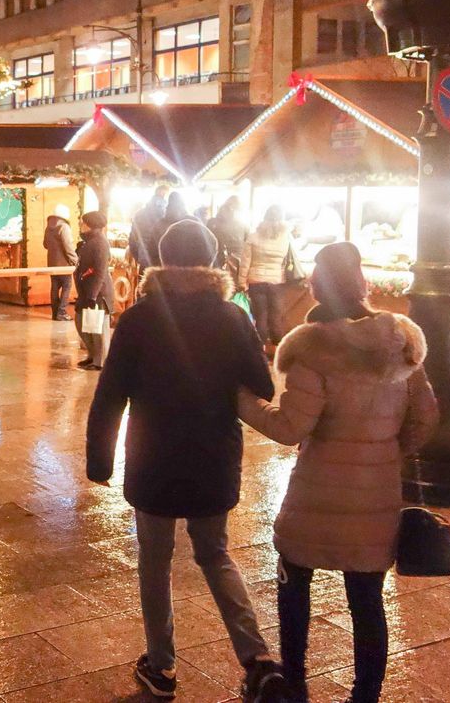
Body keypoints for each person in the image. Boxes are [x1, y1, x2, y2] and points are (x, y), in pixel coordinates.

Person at [87, 219, 286, 703]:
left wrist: (100, 461)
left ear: (161, 259)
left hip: (153, 458)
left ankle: (162, 667)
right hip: (212, 456)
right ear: (214, 261)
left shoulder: (139, 318)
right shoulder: (232, 317)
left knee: (154, 562)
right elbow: (262, 384)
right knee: (215, 553)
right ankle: (257, 659)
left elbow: (109, 394)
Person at [236, 242, 439, 703]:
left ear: (313, 285)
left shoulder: (314, 349)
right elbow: (426, 417)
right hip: (376, 494)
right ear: (363, 281)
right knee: (367, 601)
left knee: (294, 590)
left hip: (317, 493)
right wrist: (385, 452)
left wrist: (243, 402)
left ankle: (297, 687)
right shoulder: (401, 343)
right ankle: (365, 696)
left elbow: (290, 428)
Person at [240, 205, 294, 349]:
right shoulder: (286, 237)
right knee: (275, 317)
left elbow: (245, 262)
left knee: (260, 317)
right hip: (276, 280)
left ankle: (260, 348)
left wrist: (241, 282)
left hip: (256, 281)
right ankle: (278, 349)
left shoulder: (253, 237)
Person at [73, 211, 114, 371]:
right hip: (86, 291)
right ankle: (92, 356)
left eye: (83, 222)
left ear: (91, 225)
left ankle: (100, 361)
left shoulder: (100, 243)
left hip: (98, 293)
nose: (81, 225)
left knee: (98, 327)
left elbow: (101, 270)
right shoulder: (89, 242)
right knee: (82, 323)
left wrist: (93, 295)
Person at [43, 204, 78, 321]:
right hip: (64, 264)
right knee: (67, 286)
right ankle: (61, 312)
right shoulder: (64, 227)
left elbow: (45, 244)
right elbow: (68, 246)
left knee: (55, 287)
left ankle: (54, 313)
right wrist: (75, 260)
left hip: (52, 263)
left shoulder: (48, 227)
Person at [128, 185, 170, 270]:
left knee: (144, 281)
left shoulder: (139, 214)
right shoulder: (167, 216)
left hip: (145, 259)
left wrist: (138, 256)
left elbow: (132, 239)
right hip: (162, 262)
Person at [208, 196, 250, 281]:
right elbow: (247, 245)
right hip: (237, 264)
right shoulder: (244, 225)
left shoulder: (212, 222)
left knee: (218, 289)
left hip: (217, 262)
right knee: (235, 289)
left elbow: (207, 242)